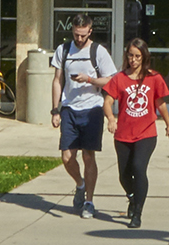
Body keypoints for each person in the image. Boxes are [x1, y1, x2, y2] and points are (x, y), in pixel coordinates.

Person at [100, 36, 169, 227]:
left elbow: (161, 104)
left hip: (146, 133)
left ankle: (138, 213)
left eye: (137, 56)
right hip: (123, 134)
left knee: (138, 167)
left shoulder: (154, 78)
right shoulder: (119, 78)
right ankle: (132, 197)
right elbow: (107, 102)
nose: (133, 60)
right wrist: (111, 119)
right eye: (130, 56)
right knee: (124, 175)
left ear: (144, 57)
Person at [50, 14, 119, 217]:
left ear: (90, 31)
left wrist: (89, 79)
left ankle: (89, 201)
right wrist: (55, 110)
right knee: (67, 157)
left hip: (93, 109)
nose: (79, 39)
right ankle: (80, 184)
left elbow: (111, 81)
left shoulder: (98, 51)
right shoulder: (63, 50)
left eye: (83, 35)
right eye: (76, 35)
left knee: (88, 156)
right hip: (69, 108)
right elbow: (57, 80)